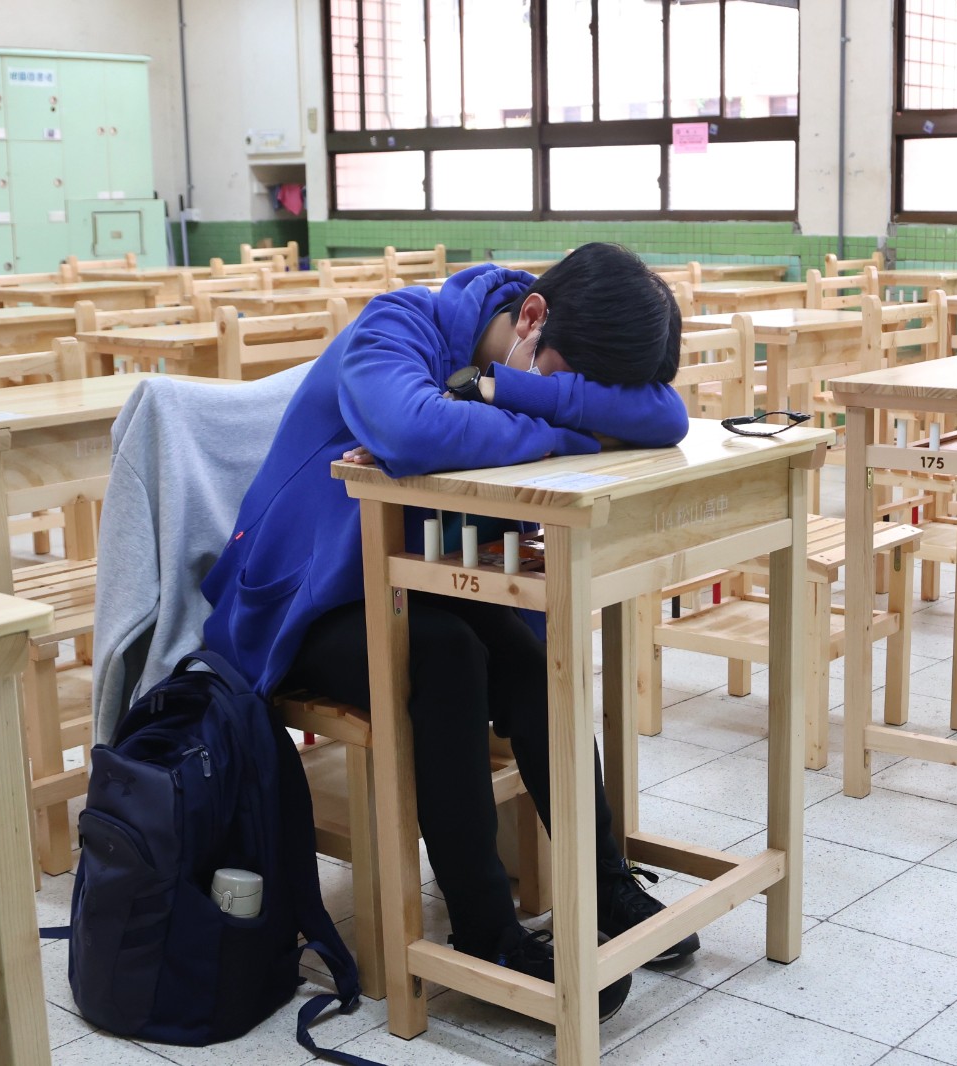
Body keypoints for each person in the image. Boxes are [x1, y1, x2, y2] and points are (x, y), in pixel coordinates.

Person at [200, 243, 696, 1022]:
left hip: (419, 579)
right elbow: (413, 430)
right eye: (565, 381)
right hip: (304, 600)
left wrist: (496, 393)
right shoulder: (398, 327)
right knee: (449, 657)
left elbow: (666, 417)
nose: (565, 401)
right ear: (531, 316)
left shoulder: (516, 350)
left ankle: (604, 886)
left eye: (572, 394)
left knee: (532, 661)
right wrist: (569, 429)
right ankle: (484, 933)